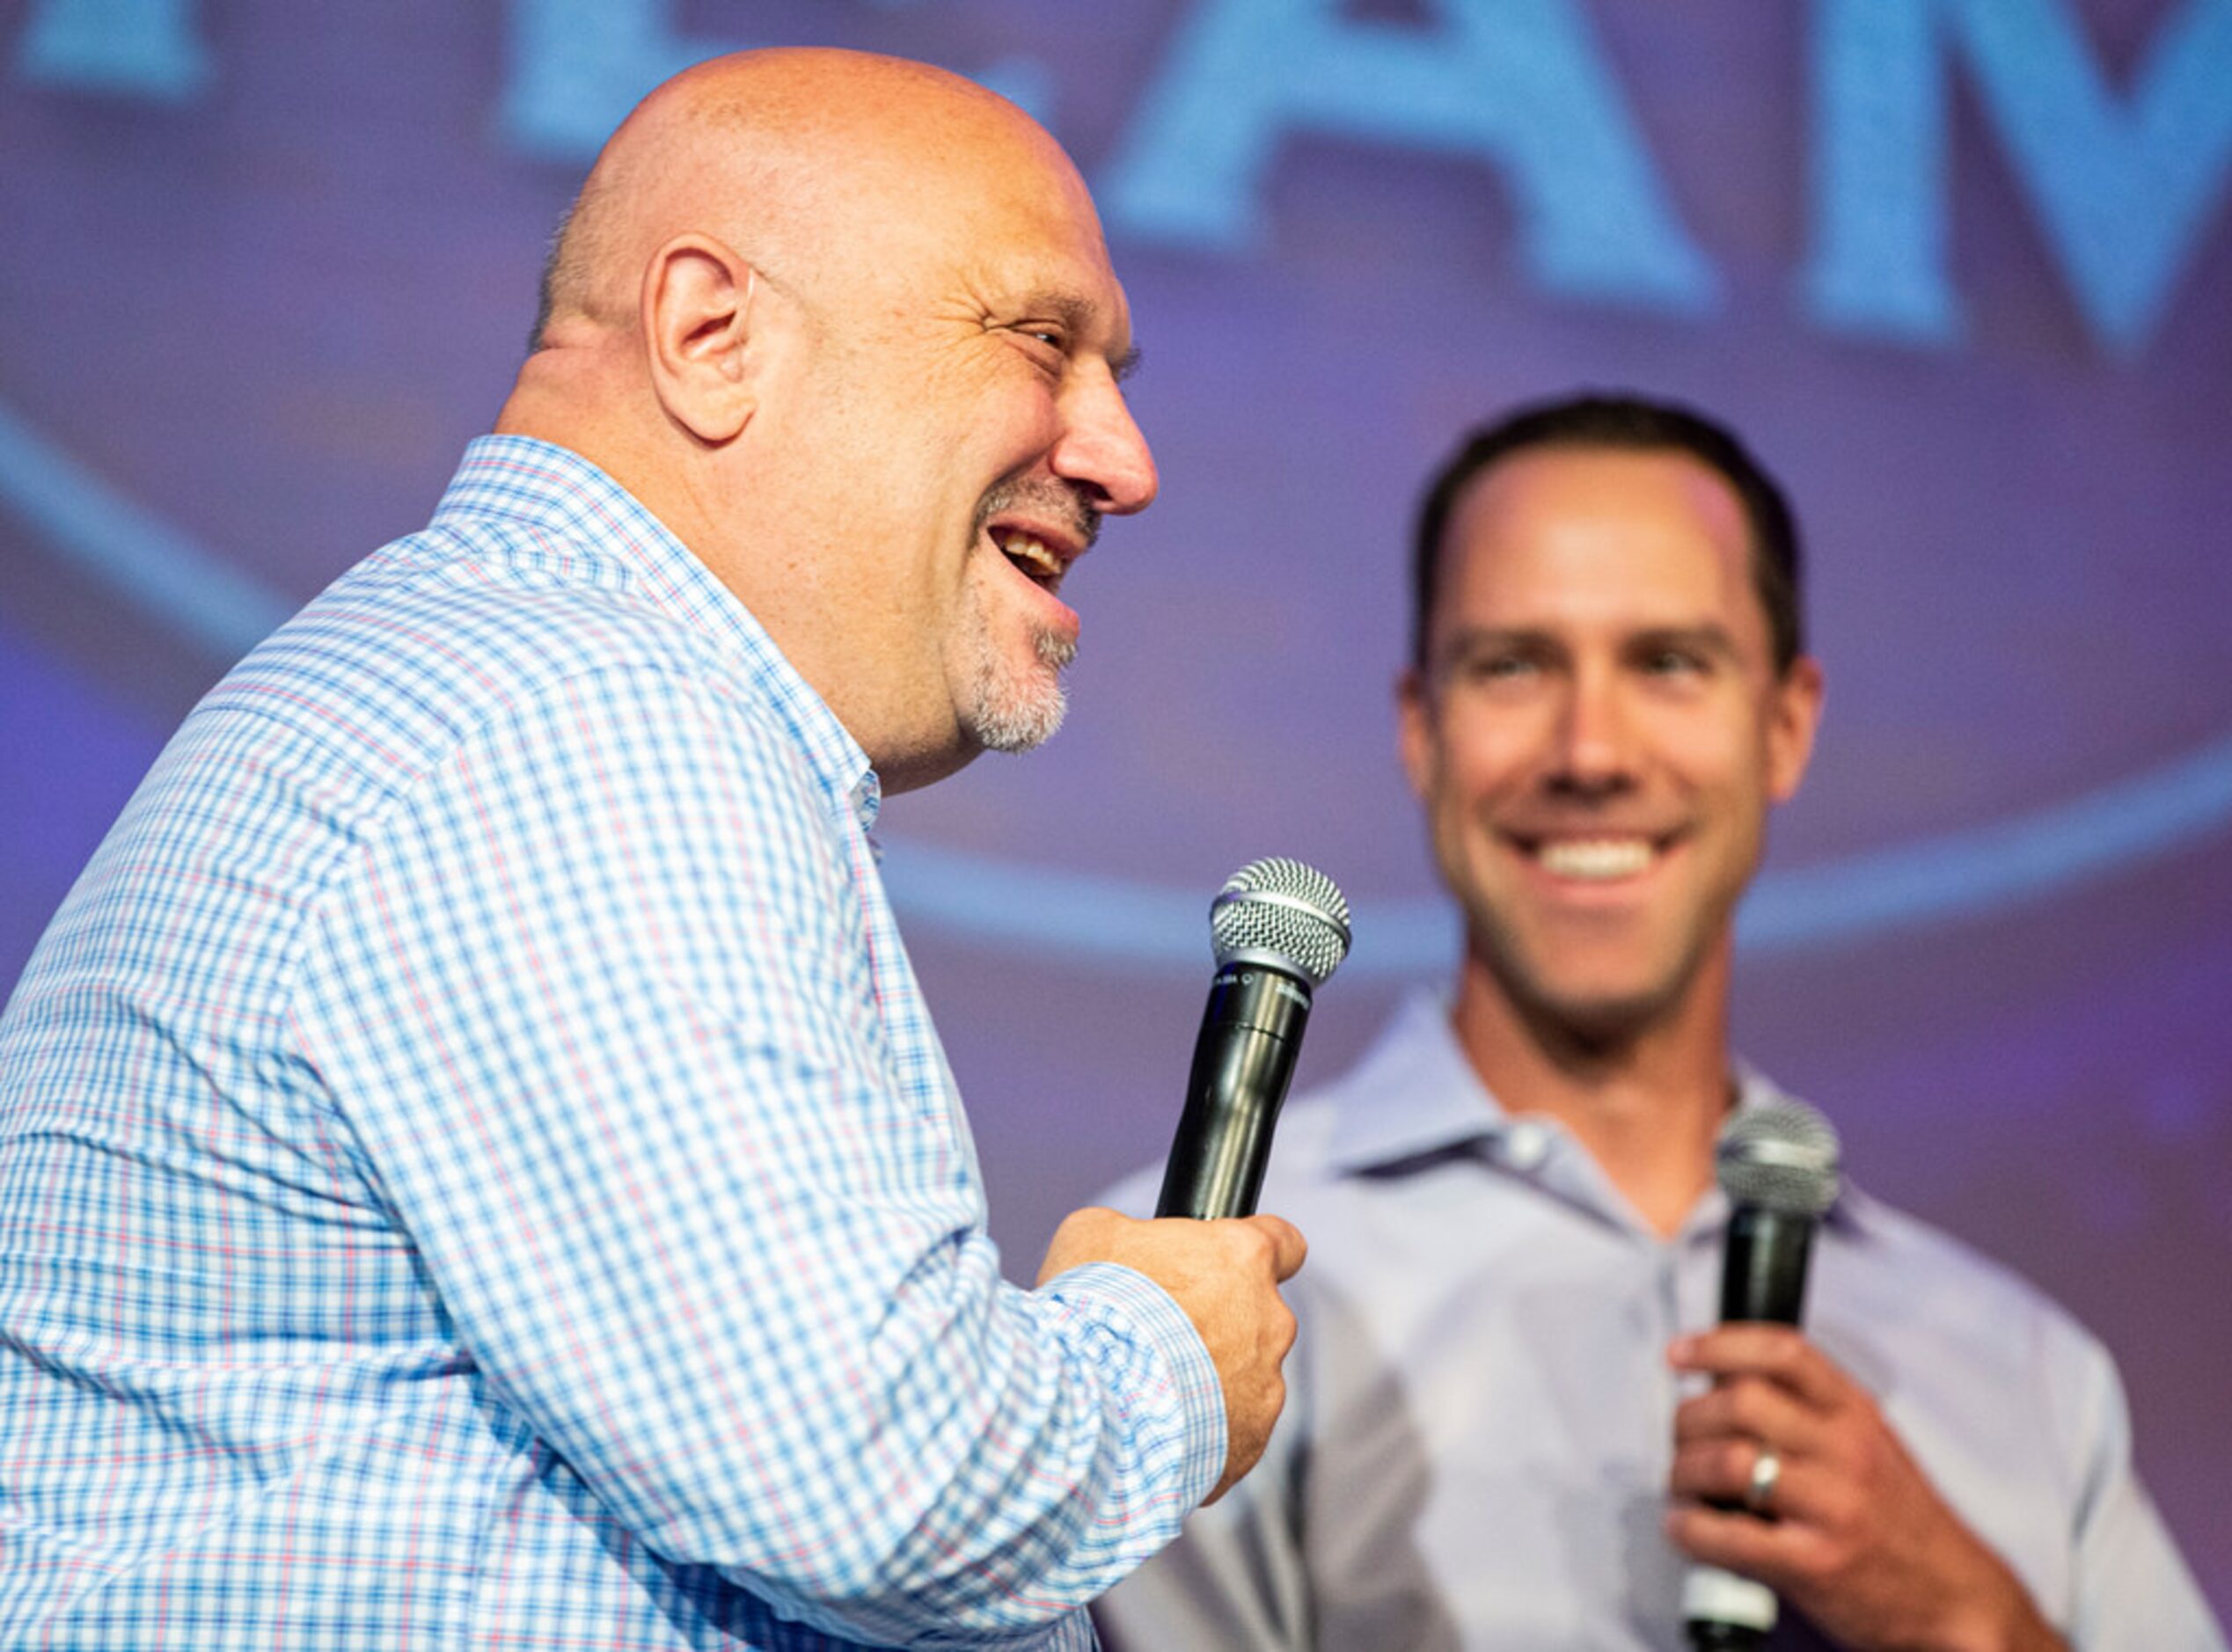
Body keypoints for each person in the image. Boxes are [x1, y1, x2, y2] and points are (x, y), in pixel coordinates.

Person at [0, 49, 1307, 1651]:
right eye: (1044, 341)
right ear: (709, 335)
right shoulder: (582, 717)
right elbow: (866, 1472)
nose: (1122, 458)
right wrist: (1163, 1354)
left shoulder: (504, 680)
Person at [1094, 393, 2224, 1650]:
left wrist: (1966, 1620)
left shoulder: (2021, 1372)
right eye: (1513, 664)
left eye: (1667, 664)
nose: (1591, 750)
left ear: (1784, 724)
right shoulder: (1198, 1288)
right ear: (1421, 729)